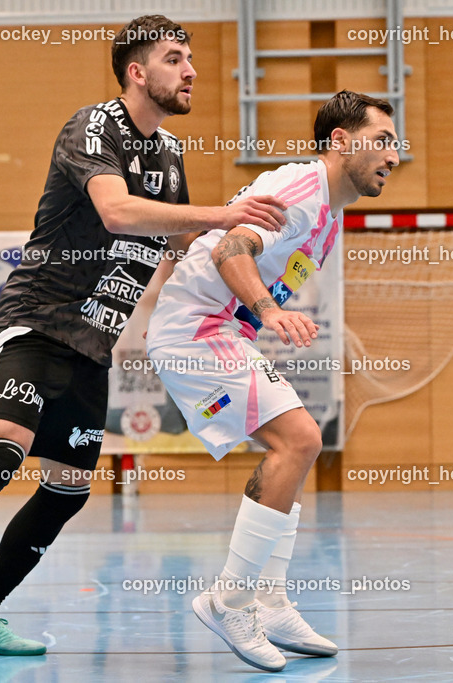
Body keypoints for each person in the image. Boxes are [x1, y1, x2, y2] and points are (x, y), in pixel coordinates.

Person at [0, 14, 288, 657]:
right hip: (36, 323)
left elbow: (174, 237)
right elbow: (117, 210)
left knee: (68, 489)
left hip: (93, 346)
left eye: (190, 59)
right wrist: (224, 211)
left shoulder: (169, 153)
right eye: (175, 58)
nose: (191, 71)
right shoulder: (92, 126)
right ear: (137, 71)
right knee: (3, 448)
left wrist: (253, 249)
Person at [145, 90, 400, 672]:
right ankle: (230, 599)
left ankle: (270, 599)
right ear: (340, 142)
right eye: (382, 140)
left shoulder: (329, 209)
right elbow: (232, 248)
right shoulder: (305, 193)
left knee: (296, 449)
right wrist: (269, 309)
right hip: (195, 330)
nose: (393, 153)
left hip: (218, 331)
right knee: (302, 439)